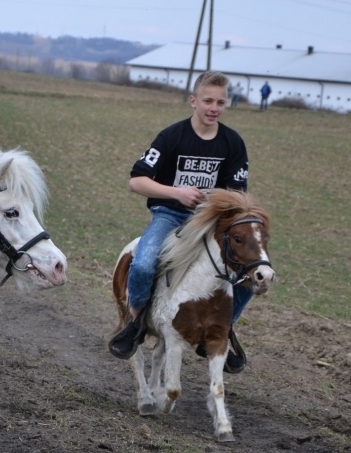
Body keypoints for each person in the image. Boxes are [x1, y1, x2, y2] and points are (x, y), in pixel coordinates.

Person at [108, 70, 252, 372]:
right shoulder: (172, 136)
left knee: (250, 274)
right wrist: (177, 192)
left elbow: (239, 194)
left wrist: (213, 199)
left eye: (220, 102)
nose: (214, 108)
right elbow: (136, 182)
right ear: (193, 101)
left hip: (211, 222)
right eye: (208, 101)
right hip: (169, 215)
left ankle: (225, 327)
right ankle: (135, 324)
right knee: (144, 263)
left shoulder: (233, 142)